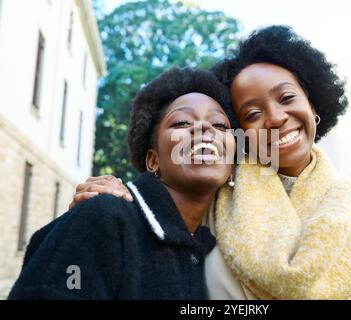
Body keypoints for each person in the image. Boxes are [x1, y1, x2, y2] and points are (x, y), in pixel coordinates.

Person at [69, 26, 351, 300]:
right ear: (239, 133)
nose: (275, 118)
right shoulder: (215, 200)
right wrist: (104, 201)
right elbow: (145, 223)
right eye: (252, 113)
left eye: (287, 97)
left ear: (314, 106)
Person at [8, 67, 235, 299]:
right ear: (153, 160)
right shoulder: (105, 217)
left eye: (220, 125)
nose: (204, 128)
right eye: (182, 122)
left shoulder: (211, 248)